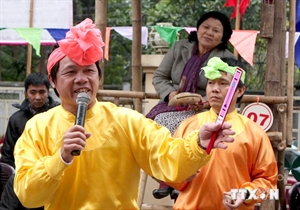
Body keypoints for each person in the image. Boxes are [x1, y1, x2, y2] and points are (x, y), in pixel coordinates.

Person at [12, 18, 236, 210]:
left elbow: (168, 159)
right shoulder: (37, 127)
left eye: (89, 71)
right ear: (53, 80)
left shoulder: (126, 120)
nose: (81, 79)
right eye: (71, 72)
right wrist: (60, 159)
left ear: (98, 77)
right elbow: (27, 194)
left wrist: (198, 143)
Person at [147, 11, 236, 199]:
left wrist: (206, 100)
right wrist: (171, 93)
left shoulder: (226, 57)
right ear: (198, 28)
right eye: (206, 27)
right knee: (150, 127)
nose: (209, 33)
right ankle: (166, 177)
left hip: (205, 109)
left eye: (216, 30)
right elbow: (159, 76)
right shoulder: (179, 47)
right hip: (173, 105)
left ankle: (178, 179)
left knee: (179, 126)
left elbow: (229, 86)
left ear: (223, 37)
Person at [168, 57, 278, 210]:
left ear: (239, 90)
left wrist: (245, 194)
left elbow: (270, 186)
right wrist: (180, 175)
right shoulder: (188, 125)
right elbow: (169, 171)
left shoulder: (255, 133)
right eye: (211, 82)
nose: (214, 89)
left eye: (223, 83)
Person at [1, 72, 60, 168]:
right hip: (25, 174)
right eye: (33, 92)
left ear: (48, 92)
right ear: (26, 93)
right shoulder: (16, 120)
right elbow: (8, 155)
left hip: (55, 170)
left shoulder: (59, 114)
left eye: (42, 92)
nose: (37, 97)